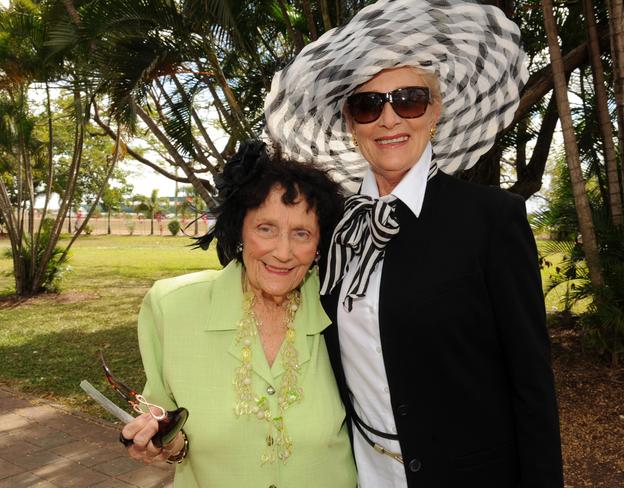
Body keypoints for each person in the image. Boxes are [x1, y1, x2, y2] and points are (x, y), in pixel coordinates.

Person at [264, 1, 563, 487]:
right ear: (350, 122)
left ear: (435, 111)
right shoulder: (333, 228)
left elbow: (531, 383)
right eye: (367, 104)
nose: (388, 119)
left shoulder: (490, 219)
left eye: (408, 100)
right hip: (360, 470)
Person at [120, 141, 356, 487]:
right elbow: (167, 429)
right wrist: (165, 442)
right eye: (266, 229)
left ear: (319, 244)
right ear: (240, 228)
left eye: (301, 234)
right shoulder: (171, 307)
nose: (283, 252)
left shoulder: (344, 307)